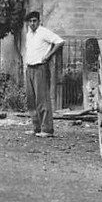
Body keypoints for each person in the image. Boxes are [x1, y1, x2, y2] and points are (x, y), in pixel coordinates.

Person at [23, 10, 63, 138]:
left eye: (35, 21)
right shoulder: (29, 34)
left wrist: (48, 55)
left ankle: (47, 129)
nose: (32, 23)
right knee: (31, 99)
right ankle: (36, 128)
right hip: (29, 68)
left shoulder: (43, 32)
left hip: (40, 67)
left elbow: (59, 41)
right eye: (30, 21)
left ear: (39, 21)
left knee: (42, 99)